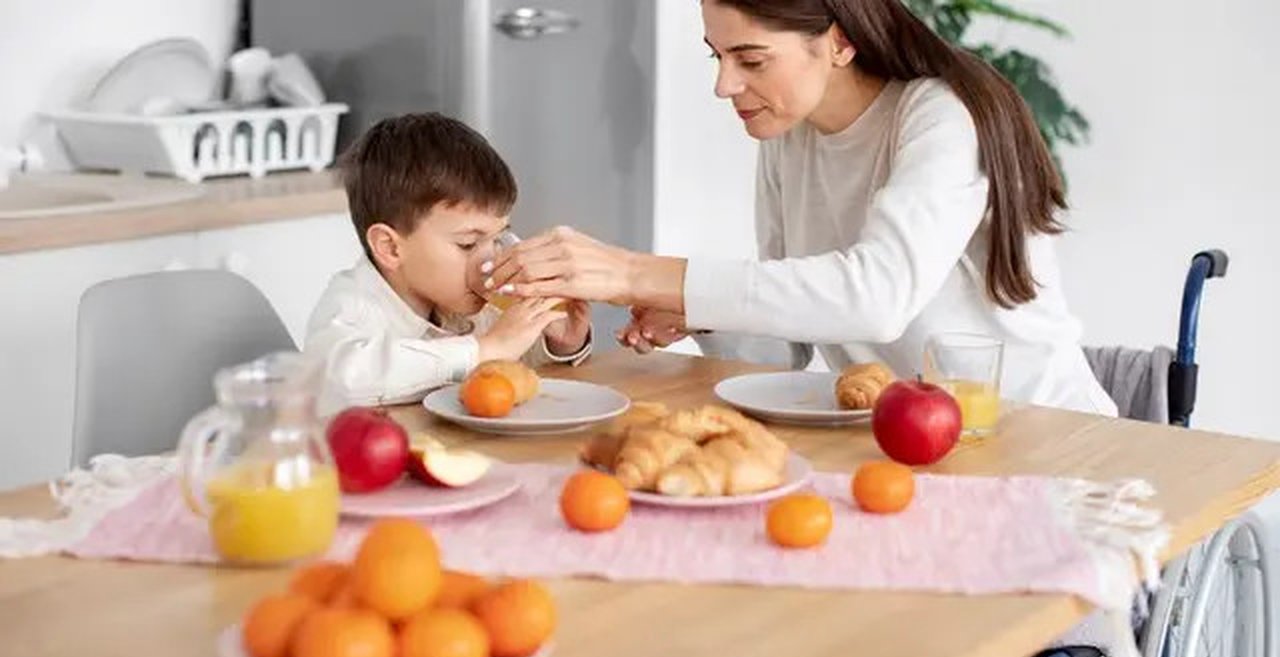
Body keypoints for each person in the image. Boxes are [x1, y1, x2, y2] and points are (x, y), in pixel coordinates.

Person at [481, 0, 1115, 415]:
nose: (724, 85)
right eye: (717, 55)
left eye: (750, 59)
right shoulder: (792, 136)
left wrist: (632, 271)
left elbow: (876, 297)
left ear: (839, 43)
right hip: (911, 442)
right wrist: (695, 314)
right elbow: (788, 348)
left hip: (1044, 438)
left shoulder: (940, 117)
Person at [305, 113, 592, 414]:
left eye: (497, 239)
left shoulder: (463, 303)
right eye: (468, 244)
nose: (490, 260)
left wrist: (561, 343)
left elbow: (511, 369)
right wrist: (482, 350)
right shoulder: (351, 305)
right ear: (390, 247)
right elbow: (340, 380)